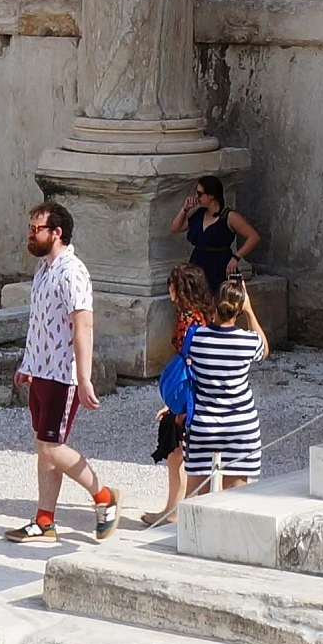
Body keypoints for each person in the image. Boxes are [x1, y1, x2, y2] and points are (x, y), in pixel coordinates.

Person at [4, 201, 118, 543]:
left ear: (57, 232)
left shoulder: (73, 271)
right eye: (30, 228)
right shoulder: (44, 269)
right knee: (45, 446)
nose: (30, 234)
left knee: (51, 446)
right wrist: (27, 364)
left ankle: (104, 497)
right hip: (41, 370)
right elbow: (39, 322)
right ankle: (44, 520)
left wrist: (84, 378)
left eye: (36, 229)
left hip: (61, 373)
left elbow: (83, 325)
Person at [139, 263, 213, 529]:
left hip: (190, 395)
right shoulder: (204, 314)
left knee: (178, 455)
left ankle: (174, 511)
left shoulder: (188, 320)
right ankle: (172, 509)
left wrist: (177, 405)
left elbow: (191, 362)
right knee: (178, 455)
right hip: (197, 393)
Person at [182, 275, 267, 494]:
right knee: (235, 501)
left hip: (204, 424)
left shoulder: (197, 339)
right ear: (238, 309)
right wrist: (249, 311)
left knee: (197, 502)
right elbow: (264, 349)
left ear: (215, 303)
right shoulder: (248, 342)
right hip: (240, 425)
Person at [169, 175, 263, 299]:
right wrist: (185, 209)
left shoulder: (229, 216)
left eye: (200, 194)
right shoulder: (199, 214)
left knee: (220, 301)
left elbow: (253, 237)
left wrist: (236, 257)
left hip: (219, 265)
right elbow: (175, 228)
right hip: (199, 262)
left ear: (211, 195)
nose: (197, 197)